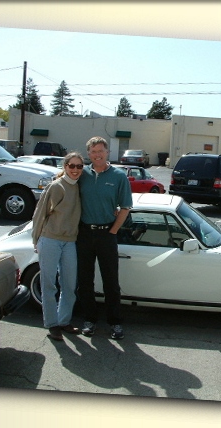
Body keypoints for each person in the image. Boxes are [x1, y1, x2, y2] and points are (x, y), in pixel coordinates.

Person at [77, 137, 133, 340]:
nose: (97, 154)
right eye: (93, 151)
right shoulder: (81, 174)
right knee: (85, 281)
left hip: (106, 234)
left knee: (111, 281)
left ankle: (115, 322)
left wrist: (112, 231)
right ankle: (89, 320)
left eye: (101, 151)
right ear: (88, 154)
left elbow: (125, 207)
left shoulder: (118, 176)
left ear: (107, 152)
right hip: (83, 234)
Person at [32, 152, 85, 341]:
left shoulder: (79, 187)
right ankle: (52, 324)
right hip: (50, 240)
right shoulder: (56, 186)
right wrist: (35, 239)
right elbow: (40, 214)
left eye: (79, 166)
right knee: (48, 284)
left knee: (69, 285)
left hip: (70, 241)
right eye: (72, 166)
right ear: (65, 166)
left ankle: (64, 320)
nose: (76, 170)